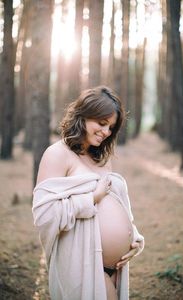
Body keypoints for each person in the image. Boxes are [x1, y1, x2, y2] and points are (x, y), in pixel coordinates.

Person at [32, 86, 144, 300]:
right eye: (102, 123)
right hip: (81, 261)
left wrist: (134, 240)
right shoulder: (57, 154)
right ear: (83, 115)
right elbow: (44, 215)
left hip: (114, 268)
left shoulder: (101, 158)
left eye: (111, 127)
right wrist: (92, 198)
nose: (106, 132)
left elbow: (117, 208)